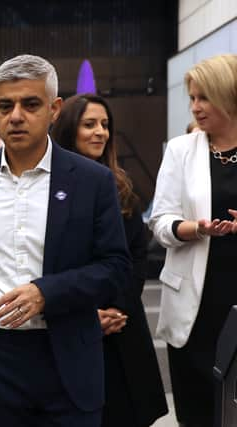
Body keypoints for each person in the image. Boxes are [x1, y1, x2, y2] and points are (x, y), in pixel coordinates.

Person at [0, 54, 130, 427]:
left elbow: (115, 268)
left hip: (68, 353)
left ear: (54, 109)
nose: (16, 115)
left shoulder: (91, 180)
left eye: (30, 104)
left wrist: (45, 293)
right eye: (6, 106)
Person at [52, 93, 168, 427]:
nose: (100, 132)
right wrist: (89, 314)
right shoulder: (50, 188)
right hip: (73, 324)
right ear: (69, 129)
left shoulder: (122, 188)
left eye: (105, 125)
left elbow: (136, 257)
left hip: (122, 325)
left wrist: (117, 308)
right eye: (89, 124)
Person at [149, 53, 237, 427]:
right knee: (199, 409)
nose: (196, 108)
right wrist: (196, 228)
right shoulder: (180, 150)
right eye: (192, 98)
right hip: (195, 305)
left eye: (204, 98)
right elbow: (160, 221)